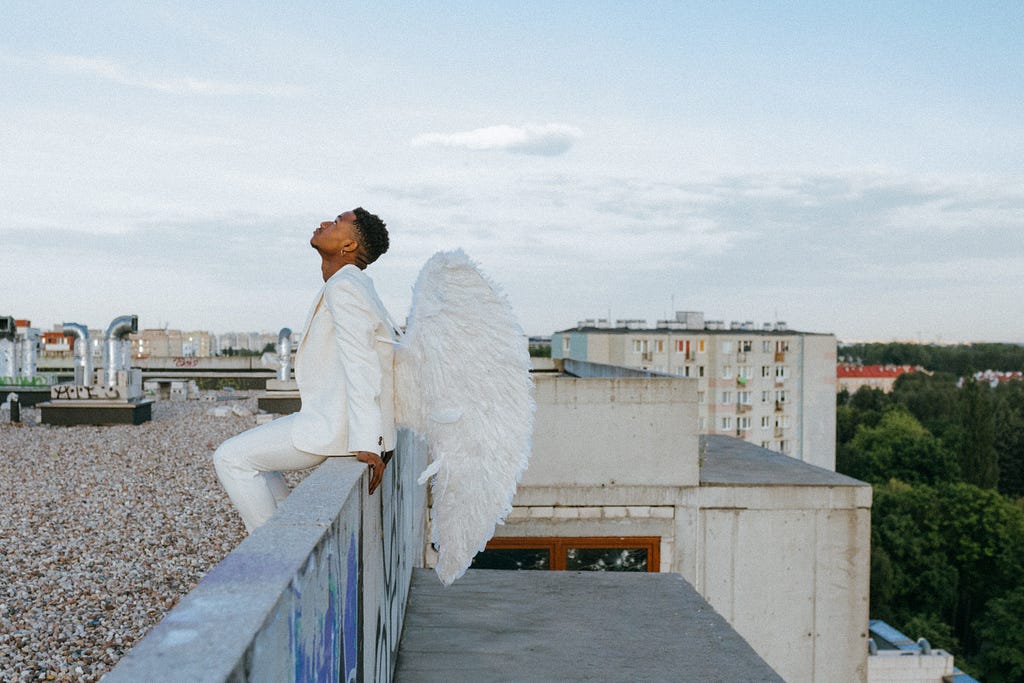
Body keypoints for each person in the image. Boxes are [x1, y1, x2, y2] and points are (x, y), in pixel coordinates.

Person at [213, 207, 396, 532]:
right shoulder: (355, 284)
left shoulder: (344, 287)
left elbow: (363, 362)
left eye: (338, 222)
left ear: (349, 246)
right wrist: (381, 438)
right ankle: (290, 535)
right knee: (259, 461)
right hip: (337, 423)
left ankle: (273, 559)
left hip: (335, 430)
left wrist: (370, 440)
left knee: (230, 458)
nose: (325, 223)